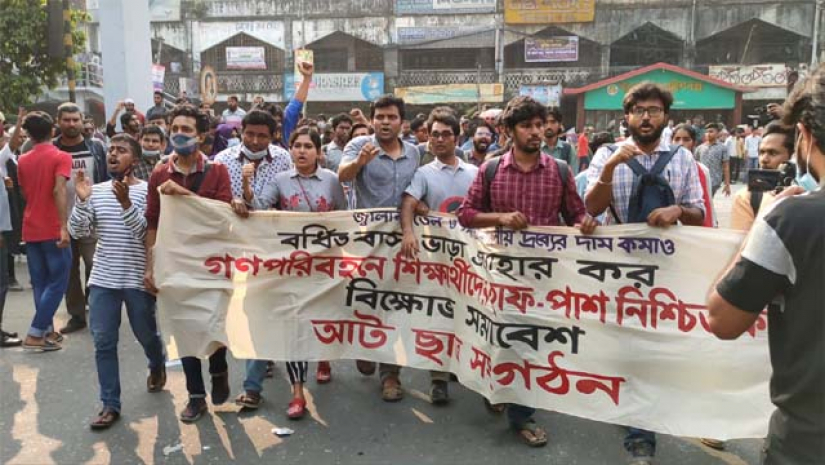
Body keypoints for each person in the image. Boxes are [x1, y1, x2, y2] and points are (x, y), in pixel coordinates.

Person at [457, 96, 598, 448]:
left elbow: (575, 214)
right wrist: (500, 218)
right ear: (508, 131)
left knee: (532, 345)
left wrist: (586, 222)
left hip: (542, 278)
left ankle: (522, 415)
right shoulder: (491, 170)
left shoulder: (560, 171)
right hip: (497, 276)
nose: (536, 132)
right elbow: (466, 214)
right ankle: (496, 386)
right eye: (527, 126)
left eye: (540, 125)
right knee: (499, 339)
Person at [707, 64, 825, 464]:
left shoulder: (791, 219)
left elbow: (722, 319)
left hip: (807, 443)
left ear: (804, 137)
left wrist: (762, 223)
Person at [585, 83, 705, 464]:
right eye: (638, 111)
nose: (646, 117)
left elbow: (699, 212)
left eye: (654, 110)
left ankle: (641, 436)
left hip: (667, 271)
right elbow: (592, 207)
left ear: (666, 116)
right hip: (619, 270)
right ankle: (635, 412)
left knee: (650, 349)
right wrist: (610, 167)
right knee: (626, 346)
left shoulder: (683, 158)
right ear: (627, 117)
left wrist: (678, 211)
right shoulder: (606, 154)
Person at [232, 126, 346, 419]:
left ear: (318, 152)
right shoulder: (280, 180)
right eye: (297, 146)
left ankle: (323, 357)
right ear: (290, 150)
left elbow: (344, 217)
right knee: (296, 326)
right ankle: (297, 393)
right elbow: (258, 207)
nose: (302, 151)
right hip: (291, 267)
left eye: (308, 146)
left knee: (321, 319)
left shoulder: (332, 181)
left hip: (324, 266)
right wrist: (246, 186)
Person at [68, 134, 166, 430]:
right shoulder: (94, 191)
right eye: (110, 150)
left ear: (134, 160)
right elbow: (78, 231)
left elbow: (145, 235)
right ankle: (110, 404)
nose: (112, 155)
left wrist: (125, 204)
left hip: (137, 280)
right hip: (103, 280)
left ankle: (157, 362)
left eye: (121, 151)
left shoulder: (148, 192)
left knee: (146, 335)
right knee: (103, 342)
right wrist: (82, 201)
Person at [144, 104, 233, 423]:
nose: (179, 134)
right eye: (175, 129)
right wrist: (151, 265)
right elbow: (153, 222)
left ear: (202, 135)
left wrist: (182, 194)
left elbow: (223, 216)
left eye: (187, 130)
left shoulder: (218, 171)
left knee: (213, 323)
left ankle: (219, 370)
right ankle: (196, 396)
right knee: (182, 326)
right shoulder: (159, 173)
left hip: (211, 263)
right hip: (175, 263)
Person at [339, 94, 419, 402]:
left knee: (396, 307)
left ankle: (391, 375)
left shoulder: (413, 152)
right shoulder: (359, 145)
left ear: (402, 122)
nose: (385, 122)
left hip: (401, 241)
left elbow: (416, 190)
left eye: (391, 117)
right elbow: (342, 175)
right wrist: (360, 163)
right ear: (372, 120)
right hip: (366, 242)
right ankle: (365, 346)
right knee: (366, 300)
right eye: (380, 117)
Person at [400, 107, 478, 405]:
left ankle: (464, 368)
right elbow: (408, 202)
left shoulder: (474, 173)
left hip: (469, 260)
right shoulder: (423, 174)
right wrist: (408, 232)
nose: (440, 139)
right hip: (436, 261)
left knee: (467, 316)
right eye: (435, 135)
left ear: (457, 137)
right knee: (438, 317)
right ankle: (438, 379)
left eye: (446, 134)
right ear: (428, 139)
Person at [48, 103, 109, 334]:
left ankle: (96, 306)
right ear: (58, 121)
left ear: (83, 121)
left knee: (95, 265)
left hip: (92, 218)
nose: (72, 124)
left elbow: (105, 180)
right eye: (67, 120)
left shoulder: (97, 147)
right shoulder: (52, 149)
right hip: (62, 219)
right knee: (69, 270)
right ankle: (76, 314)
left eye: (76, 119)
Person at [17, 112, 72, 351]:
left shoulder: (23, 160)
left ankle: (46, 330)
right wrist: (63, 226)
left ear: (29, 134)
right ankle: (36, 332)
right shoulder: (61, 156)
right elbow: (59, 190)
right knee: (58, 282)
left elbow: (24, 193)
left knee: (40, 282)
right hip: (51, 226)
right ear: (53, 130)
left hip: (31, 225)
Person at [730, 123, 794, 231]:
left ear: (793, 156)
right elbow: (744, 240)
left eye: (773, 153)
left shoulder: (807, 193)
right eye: (761, 152)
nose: (764, 159)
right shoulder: (746, 197)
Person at [671, 124, 717, 228]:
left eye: (686, 139)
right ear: (671, 142)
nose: (681, 143)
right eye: (677, 139)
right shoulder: (666, 166)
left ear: (694, 143)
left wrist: (712, 224)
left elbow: (707, 202)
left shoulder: (702, 170)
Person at [694, 123, 731, 197]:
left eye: (711, 131)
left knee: (707, 198)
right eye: (706, 132)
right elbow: (694, 165)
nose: (708, 134)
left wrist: (727, 184)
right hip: (701, 180)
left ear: (718, 133)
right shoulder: (699, 148)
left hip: (714, 181)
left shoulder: (722, 148)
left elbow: (726, 167)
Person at [541, 106, 578, 174]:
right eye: (545, 122)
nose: (549, 126)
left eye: (553, 122)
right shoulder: (535, 148)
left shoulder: (568, 150)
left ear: (559, 124)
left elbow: (573, 176)